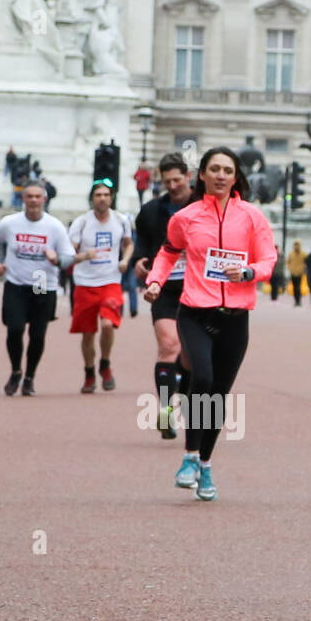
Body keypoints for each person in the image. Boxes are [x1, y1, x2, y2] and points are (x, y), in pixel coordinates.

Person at [144, 146, 277, 501]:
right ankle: (188, 457)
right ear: (201, 174)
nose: (220, 175)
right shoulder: (186, 217)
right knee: (200, 376)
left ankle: (204, 464)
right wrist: (156, 281)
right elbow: (168, 251)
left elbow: (268, 259)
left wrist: (249, 271)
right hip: (194, 312)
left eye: (227, 170)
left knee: (218, 396)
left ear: (235, 178)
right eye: (214, 169)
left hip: (235, 318)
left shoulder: (251, 217)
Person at [0, 180, 75, 396]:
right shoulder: (9, 223)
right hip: (16, 283)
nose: (34, 200)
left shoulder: (55, 226)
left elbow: (69, 257)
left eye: (38, 196)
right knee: (15, 329)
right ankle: (16, 370)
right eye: (30, 196)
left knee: (37, 335)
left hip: (41, 285)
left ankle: (29, 377)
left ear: (45, 199)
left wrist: (56, 260)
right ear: (23, 199)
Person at [134, 152, 195, 439]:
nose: (172, 186)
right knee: (169, 345)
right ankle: (166, 411)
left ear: (189, 178)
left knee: (193, 357)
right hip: (164, 288)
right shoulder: (150, 212)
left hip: (199, 289)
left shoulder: (206, 206)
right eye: (167, 181)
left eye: (177, 180)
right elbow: (142, 246)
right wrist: (138, 261)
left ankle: (185, 399)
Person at [68, 181, 133, 393]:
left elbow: (128, 243)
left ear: (111, 198)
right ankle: (89, 372)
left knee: (107, 325)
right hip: (85, 283)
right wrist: (84, 256)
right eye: (98, 195)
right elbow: (69, 254)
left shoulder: (121, 220)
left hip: (110, 281)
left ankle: (105, 363)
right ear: (92, 198)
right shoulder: (81, 223)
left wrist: (125, 260)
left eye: (106, 194)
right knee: (87, 334)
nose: (102, 198)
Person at [286, 239, 306, 306]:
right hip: (293, 272)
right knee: (294, 287)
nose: (296, 246)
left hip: (300, 272)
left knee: (298, 287)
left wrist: (303, 268)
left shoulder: (303, 253)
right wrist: (290, 268)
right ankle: (296, 301)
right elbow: (288, 262)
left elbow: (306, 262)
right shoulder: (291, 253)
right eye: (295, 245)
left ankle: (299, 301)